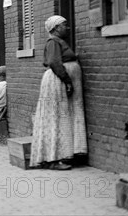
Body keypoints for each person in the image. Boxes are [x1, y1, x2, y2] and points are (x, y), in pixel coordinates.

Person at [30, 15, 88, 170]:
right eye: (64, 25)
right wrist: (67, 81)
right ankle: (52, 159)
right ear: (55, 28)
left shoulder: (59, 42)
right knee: (55, 117)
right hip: (58, 81)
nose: (67, 28)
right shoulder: (53, 42)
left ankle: (64, 154)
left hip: (61, 81)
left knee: (63, 118)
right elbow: (54, 62)